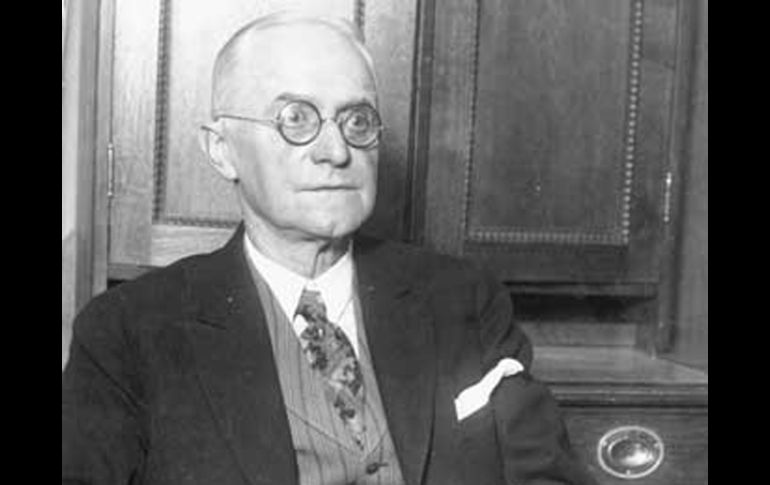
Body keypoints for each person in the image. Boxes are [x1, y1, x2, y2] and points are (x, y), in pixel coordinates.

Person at [62, 13, 596, 485]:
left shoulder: (464, 298)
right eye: (296, 118)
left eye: (357, 120)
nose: (337, 151)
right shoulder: (127, 332)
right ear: (221, 150)